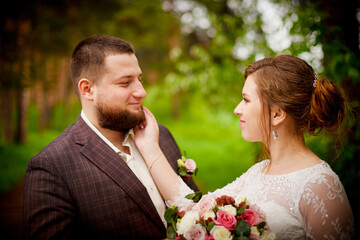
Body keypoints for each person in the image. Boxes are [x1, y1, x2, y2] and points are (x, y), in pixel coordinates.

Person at [134, 55, 354, 239]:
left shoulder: (320, 186)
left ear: (277, 114)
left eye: (246, 100)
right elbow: (196, 210)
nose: (237, 110)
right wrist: (149, 147)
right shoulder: (259, 171)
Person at [22, 34, 198, 239]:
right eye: (125, 83)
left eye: (139, 79)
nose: (142, 92)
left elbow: (197, 212)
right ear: (87, 90)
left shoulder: (161, 136)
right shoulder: (51, 167)